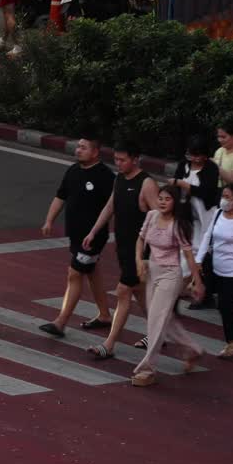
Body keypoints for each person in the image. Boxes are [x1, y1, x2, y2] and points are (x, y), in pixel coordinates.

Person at [82, 142, 159, 360]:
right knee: (140, 293)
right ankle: (160, 332)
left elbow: (160, 217)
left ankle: (109, 344)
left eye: (122, 160)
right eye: (116, 159)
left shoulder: (147, 184)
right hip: (124, 248)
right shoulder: (119, 179)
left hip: (140, 252)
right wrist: (93, 232)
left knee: (123, 291)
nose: (118, 163)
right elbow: (110, 207)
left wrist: (152, 251)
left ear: (135, 159)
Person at [39, 138, 115, 336]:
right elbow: (60, 196)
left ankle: (60, 322)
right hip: (76, 235)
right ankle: (105, 315)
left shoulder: (105, 176)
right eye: (78, 147)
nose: (78, 150)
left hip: (93, 238)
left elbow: (112, 206)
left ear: (95, 152)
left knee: (74, 274)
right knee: (92, 271)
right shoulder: (73, 171)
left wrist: (96, 232)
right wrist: (49, 220)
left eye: (83, 147)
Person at [130, 184, 203, 387]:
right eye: (160, 198)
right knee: (164, 319)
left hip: (170, 275)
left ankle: (147, 369)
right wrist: (138, 260)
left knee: (155, 320)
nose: (162, 202)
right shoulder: (152, 216)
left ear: (175, 202)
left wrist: (197, 281)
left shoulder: (178, 225)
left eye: (167, 199)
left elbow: (188, 255)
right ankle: (193, 349)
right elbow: (140, 239)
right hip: (152, 271)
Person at [195, 185, 233, 359]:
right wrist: (198, 260)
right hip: (216, 269)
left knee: (225, 305)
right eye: (223, 195)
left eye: (228, 197)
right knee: (221, 305)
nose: (224, 199)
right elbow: (208, 235)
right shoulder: (217, 214)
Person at [174, 136, 221, 309]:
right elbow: (176, 186)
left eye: (198, 156)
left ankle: (204, 291)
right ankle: (184, 285)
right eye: (191, 155)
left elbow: (208, 192)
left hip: (205, 214)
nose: (194, 159)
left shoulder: (211, 169)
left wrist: (186, 186)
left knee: (205, 250)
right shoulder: (183, 166)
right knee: (186, 249)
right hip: (188, 215)